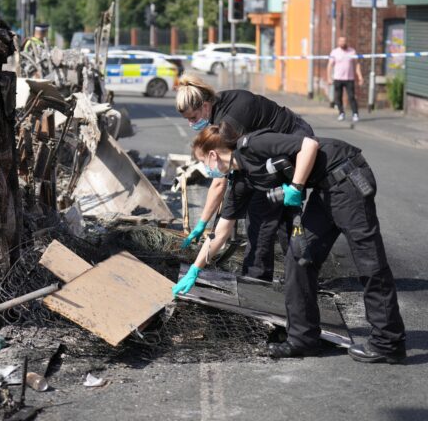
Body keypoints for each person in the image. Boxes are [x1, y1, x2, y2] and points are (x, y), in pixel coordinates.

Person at [173, 123, 406, 364]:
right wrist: (195, 270)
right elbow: (221, 232)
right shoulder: (242, 178)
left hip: (347, 178)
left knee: (369, 261)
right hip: (325, 190)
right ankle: (303, 339)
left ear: (213, 155)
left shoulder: (252, 145)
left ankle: (388, 342)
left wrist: (296, 185)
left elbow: (309, 144)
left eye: (203, 162)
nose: (206, 170)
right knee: (299, 256)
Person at [176, 75, 313, 281]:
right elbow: (229, 168)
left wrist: (205, 225)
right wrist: (203, 223)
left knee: (260, 216)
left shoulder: (229, 124)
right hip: (270, 152)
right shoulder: (217, 106)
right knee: (283, 215)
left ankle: (256, 280)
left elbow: (220, 180)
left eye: (193, 118)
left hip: (293, 143)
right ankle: (301, 273)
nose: (190, 124)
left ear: (205, 106)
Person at [327, 36, 364, 123]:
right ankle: (341, 113)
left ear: (346, 42)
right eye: (341, 41)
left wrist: (360, 76)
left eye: (344, 41)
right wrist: (329, 77)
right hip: (338, 78)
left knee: (351, 97)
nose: (343, 43)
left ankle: (355, 113)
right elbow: (329, 66)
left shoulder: (352, 51)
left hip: (349, 78)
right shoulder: (334, 52)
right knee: (338, 97)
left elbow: (357, 64)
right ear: (338, 42)